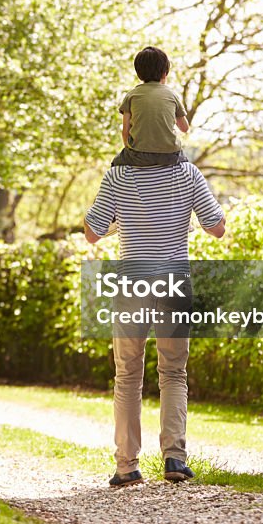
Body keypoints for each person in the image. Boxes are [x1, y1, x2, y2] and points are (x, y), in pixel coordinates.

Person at [84, 154, 225, 487]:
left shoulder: (118, 174)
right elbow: (217, 228)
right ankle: (175, 457)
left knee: (128, 374)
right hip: (175, 280)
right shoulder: (187, 172)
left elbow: (92, 233)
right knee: (174, 371)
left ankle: (126, 466)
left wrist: (122, 219)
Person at [111, 46, 190, 167]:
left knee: (115, 164)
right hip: (170, 156)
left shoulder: (131, 96)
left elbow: (125, 132)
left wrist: (130, 149)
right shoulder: (172, 95)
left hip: (138, 155)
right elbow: (184, 128)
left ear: (139, 73)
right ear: (165, 73)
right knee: (186, 164)